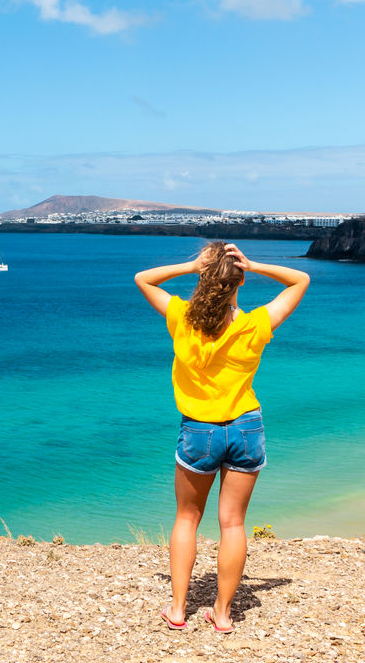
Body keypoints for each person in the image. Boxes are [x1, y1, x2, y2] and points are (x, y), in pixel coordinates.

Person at [133, 241, 310, 633]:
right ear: (239, 280)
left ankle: (178, 611)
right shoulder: (254, 325)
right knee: (232, 524)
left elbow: (143, 279)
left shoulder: (181, 317)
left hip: (199, 430)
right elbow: (300, 280)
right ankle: (224, 614)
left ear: (203, 277)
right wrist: (253, 264)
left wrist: (193, 265)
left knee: (186, 519)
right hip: (246, 428)